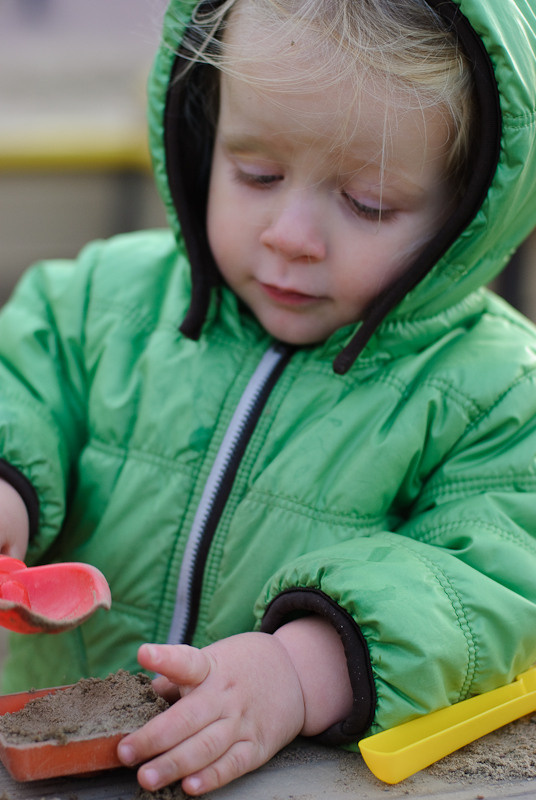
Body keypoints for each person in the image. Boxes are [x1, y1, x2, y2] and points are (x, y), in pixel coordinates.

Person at [0, 0, 536, 794]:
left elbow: (500, 577)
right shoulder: (95, 306)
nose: (290, 234)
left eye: (368, 203)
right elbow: (23, 384)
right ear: (202, 131)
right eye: (256, 173)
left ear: (467, 210)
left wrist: (301, 666)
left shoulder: (498, 393)